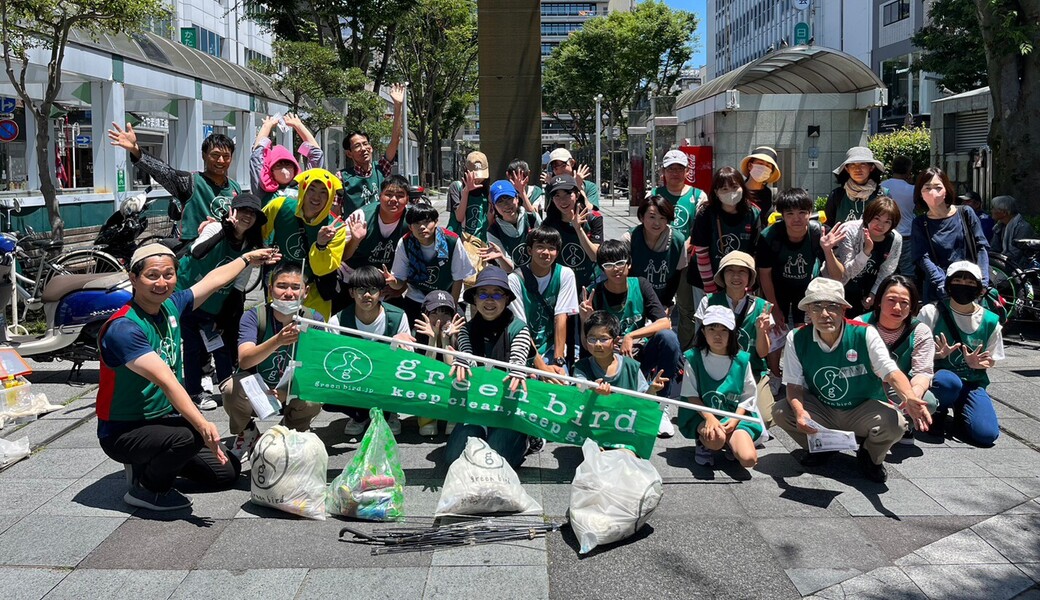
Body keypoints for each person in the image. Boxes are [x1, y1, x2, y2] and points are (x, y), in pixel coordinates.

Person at [97, 243, 280, 511]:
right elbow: (167, 382)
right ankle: (146, 489)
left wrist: (247, 258)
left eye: (168, 275)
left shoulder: (171, 306)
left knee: (227, 473)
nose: (161, 283)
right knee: (191, 435)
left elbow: (212, 281)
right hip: (124, 431)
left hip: (164, 420)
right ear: (133, 278)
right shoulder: (124, 328)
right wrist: (202, 424)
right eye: (152, 276)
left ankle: (156, 463)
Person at [770, 278, 931, 483]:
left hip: (861, 407)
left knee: (896, 423)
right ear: (808, 311)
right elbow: (793, 385)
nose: (825, 314)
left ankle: (870, 456)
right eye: (817, 306)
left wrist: (908, 396)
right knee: (782, 412)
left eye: (832, 306)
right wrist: (801, 413)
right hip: (822, 407)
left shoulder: (864, 333)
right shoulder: (796, 337)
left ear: (844, 310)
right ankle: (822, 447)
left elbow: (890, 371)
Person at [579, 239, 682, 436]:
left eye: (620, 263)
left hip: (638, 357)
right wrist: (585, 320)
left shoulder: (641, 284)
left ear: (629, 263)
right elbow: (586, 345)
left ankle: (661, 406)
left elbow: (665, 322)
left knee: (668, 338)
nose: (615, 269)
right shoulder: (596, 293)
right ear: (602, 269)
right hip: (610, 364)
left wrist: (630, 336)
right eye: (608, 265)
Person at [221, 262, 323, 460]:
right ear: (270, 289)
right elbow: (245, 360)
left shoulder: (314, 319)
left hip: (293, 389)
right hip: (259, 386)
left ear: (306, 291)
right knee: (230, 388)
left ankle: (292, 431)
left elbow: (317, 367)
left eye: (295, 287)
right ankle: (247, 432)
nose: (288, 293)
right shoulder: (254, 316)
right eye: (282, 286)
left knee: (315, 395)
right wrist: (278, 340)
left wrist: (287, 391)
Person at [176, 192, 268, 411]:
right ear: (231, 211)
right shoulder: (214, 228)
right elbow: (198, 252)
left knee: (220, 344)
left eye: (253, 213)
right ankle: (194, 392)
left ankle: (230, 389)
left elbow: (238, 287)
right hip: (190, 293)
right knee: (192, 347)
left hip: (216, 302)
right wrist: (224, 231)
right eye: (243, 210)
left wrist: (227, 316)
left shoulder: (250, 245)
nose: (248, 216)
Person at [444, 267, 532, 468]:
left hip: (509, 407)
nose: (489, 300)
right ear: (474, 299)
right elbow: (466, 356)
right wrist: (460, 361)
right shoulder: (466, 330)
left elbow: (518, 362)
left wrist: (518, 372)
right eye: (483, 294)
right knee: (454, 459)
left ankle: (527, 439)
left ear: (507, 299)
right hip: (478, 408)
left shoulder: (519, 329)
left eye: (497, 294)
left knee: (497, 459)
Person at [918, 261, 1004, 446]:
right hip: (938, 380)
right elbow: (913, 352)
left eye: (971, 283)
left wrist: (978, 364)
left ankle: (962, 413)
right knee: (949, 382)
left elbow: (992, 359)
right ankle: (938, 412)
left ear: (980, 289)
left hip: (971, 382)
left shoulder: (991, 322)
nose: (963, 286)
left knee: (987, 435)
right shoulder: (931, 312)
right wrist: (937, 355)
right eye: (958, 280)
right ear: (948, 285)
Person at [107, 124, 240, 244]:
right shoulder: (190, 181)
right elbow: (162, 171)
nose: (221, 160)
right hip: (197, 251)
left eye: (226, 156)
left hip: (226, 249)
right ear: (204, 156)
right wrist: (136, 150)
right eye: (215, 155)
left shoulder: (235, 187)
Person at [329, 266, 414, 437]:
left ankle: (390, 412)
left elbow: (408, 360)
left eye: (373, 289)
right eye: (361, 289)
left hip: (386, 376)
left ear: (381, 292)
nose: (367, 295)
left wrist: (398, 345)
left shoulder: (398, 317)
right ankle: (358, 415)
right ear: (352, 292)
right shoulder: (336, 321)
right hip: (355, 377)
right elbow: (333, 361)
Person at [858, 274, 939, 446]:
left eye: (904, 303)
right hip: (863, 385)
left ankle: (904, 424)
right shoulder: (859, 325)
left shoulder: (920, 331)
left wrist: (912, 397)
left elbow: (923, 371)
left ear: (911, 307)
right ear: (879, 301)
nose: (897, 307)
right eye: (891, 300)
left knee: (928, 402)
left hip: (898, 388)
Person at [695, 251, 774, 426]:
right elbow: (699, 343)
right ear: (722, 275)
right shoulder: (708, 302)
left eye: (742, 271)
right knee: (714, 411)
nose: (736, 276)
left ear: (750, 277)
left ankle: (739, 424)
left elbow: (762, 353)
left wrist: (762, 331)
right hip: (715, 369)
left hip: (751, 370)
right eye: (730, 270)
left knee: (767, 419)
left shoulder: (763, 307)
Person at [678, 305, 762, 469]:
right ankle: (704, 442)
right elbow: (691, 396)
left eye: (724, 330)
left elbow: (748, 396)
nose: (717, 335)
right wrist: (709, 418)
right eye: (712, 328)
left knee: (749, 459)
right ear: (703, 331)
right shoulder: (693, 358)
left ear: (732, 334)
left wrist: (735, 419)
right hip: (702, 414)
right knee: (716, 440)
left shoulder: (742, 360)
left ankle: (730, 442)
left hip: (732, 414)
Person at [573, 310, 668, 451]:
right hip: (595, 429)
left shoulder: (631, 366)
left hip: (625, 428)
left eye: (603, 339)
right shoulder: (581, 366)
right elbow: (578, 388)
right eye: (592, 339)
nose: (598, 344)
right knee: (597, 455)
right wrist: (592, 391)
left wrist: (652, 389)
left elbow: (643, 401)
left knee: (627, 457)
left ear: (616, 341)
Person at [261, 168, 346, 319]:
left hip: (315, 293)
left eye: (323, 192)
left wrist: (320, 245)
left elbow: (323, 269)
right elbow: (256, 231)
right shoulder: (280, 206)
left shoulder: (336, 227)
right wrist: (261, 252)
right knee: (277, 332)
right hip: (281, 287)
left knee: (312, 338)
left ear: (331, 196)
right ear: (302, 189)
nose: (316, 197)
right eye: (311, 190)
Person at [911, 167, 990, 302]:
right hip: (938, 290)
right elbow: (922, 258)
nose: (933, 192)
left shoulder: (965, 213)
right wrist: (943, 284)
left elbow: (981, 247)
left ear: (946, 189)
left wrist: (982, 280)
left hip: (969, 285)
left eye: (937, 187)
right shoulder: (920, 223)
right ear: (920, 193)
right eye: (927, 188)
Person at [388, 203, 476, 324]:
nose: (422, 227)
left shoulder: (452, 241)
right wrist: (393, 282)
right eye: (416, 223)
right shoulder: (405, 242)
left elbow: (458, 278)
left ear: (436, 222)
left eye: (427, 222)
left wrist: (452, 307)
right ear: (410, 226)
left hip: (449, 295)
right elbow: (399, 281)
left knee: (457, 333)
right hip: (418, 296)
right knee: (415, 335)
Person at [507, 226, 579, 374]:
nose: (546, 253)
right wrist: (541, 368)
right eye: (540, 247)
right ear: (529, 250)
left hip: (551, 348)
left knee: (561, 384)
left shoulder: (565, 275)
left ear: (557, 252)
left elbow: (561, 317)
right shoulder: (514, 280)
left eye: (551, 248)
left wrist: (558, 362)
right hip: (521, 348)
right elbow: (521, 327)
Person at [756, 188, 824, 328]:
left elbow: (834, 273)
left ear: (810, 213)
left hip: (806, 289)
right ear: (782, 215)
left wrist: (828, 250)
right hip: (777, 289)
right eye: (790, 214)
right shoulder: (768, 236)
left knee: (804, 332)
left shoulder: (818, 233)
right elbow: (764, 274)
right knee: (776, 334)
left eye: (802, 212)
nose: (796, 219)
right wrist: (773, 307)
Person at [340, 175, 411, 306]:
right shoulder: (360, 217)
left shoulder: (412, 221)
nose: (394, 199)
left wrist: (402, 287)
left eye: (400, 195)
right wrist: (355, 240)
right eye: (388, 194)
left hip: (387, 284)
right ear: (379, 196)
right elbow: (341, 256)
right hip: (352, 279)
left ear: (407, 199)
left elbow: (418, 258)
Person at [690, 166, 762, 296]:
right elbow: (701, 252)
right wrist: (711, 288)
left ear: (742, 187)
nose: (731, 192)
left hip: (741, 281)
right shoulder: (705, 213)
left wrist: (749, 283)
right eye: (724, 189)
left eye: (735, 187)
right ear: (716, 192)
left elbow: (755, 252)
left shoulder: (753, 213)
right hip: (706, 279)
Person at [339, 84, 406, 215]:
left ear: (371, 147)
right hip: (357, 232)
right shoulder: (342, 177)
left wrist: (398, 106)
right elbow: (335, 208)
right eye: (357, 146)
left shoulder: (381, 168)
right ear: (349, 153)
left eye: (365, 144)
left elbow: (395, 140)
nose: (363, 148)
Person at [829, 197, 903, 311]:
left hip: (871, 288)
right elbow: (848, 271)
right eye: (876, 218)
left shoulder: (895, 239)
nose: (880, 225)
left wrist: (874, 294)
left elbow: (887, 270)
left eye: (887, 222)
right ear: (868, 216)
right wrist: (866, 251)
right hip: (843, 287)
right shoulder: (849, 230)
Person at [412, 290, 465, 436]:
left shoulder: (461, 334)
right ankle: (428, 420)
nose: (439, 319)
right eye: (434, 313)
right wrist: (433, 340)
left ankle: (453, 419)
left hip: (451, 386)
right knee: (425, 381)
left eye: (445, 313)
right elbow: (427, 370)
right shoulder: (418, 334)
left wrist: (446, 339)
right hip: (429, 385)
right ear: (426, 315)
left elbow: (452, 371)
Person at [542, 174, 603, 291]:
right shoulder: (549, 224)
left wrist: (578, 229)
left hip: (591, 283)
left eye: (567, 194)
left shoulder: (594, 218)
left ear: (577, 194)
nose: (562, 200)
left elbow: (595, 256)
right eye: (557, 196)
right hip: (562, 284)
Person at [624, 195, 688, 307]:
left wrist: (667, 303)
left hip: (662, 300)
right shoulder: (630, 238)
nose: (657, 223)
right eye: (652, 217)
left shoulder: (678, 240)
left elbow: (676, 276)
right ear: (642, 217)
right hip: (633, 298)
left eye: (662, 218)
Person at [250, 113, 323, 203]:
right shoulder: (262, 189)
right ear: (270, 170)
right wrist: (266, 127)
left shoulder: (303, 186)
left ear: (295, 167)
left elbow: (317, 154)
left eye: (288, 164)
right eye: (279, 165)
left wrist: (298, 126)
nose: (284, 169)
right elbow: (256, 156)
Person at [486, 180, 541, 271]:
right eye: (500, 201)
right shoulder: (493, 232)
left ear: (517, 198)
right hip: (513, 280)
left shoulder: (532, 218)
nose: (506, 205)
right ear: (494, 206)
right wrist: (501, 257)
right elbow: (508, 269)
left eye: (509, 198)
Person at [825, 147, 888, 224]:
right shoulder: (837, 195)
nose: (857, 169)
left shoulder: (882, 194)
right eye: (852, 165)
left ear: (871, 167)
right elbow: (828, 225)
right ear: (847, 169)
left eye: (863, 164)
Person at [879, 155, 916, 276]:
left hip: (886, 234)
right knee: (908, 271)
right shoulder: (913, 190)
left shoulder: (881, 187)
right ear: (908, 171)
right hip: (907, 235)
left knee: (885, 271)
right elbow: (919, 209)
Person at [447, 151, 493, 242]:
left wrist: (491, 202)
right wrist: (466, 191)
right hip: (460, 241)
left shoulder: (488, 190)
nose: (478, 179)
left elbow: (489, 222)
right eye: (474, 175)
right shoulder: (456, 187)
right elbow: (459, 217)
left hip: (480, 242)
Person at [739, 146, 782, 226]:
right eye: (760, 163)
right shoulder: (738, 191)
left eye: (768, 166)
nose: (763, 168)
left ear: (770, 172)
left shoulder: (770, 194)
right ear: (750, 166)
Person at [990, 195, 1037, 265]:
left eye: (993, 208)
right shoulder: (999, 227)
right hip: (1003, 262)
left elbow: (1016, 254)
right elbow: (994, 249)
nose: (991, 211)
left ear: (1004, 212)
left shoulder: (1023, 228)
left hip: (1020, 267)